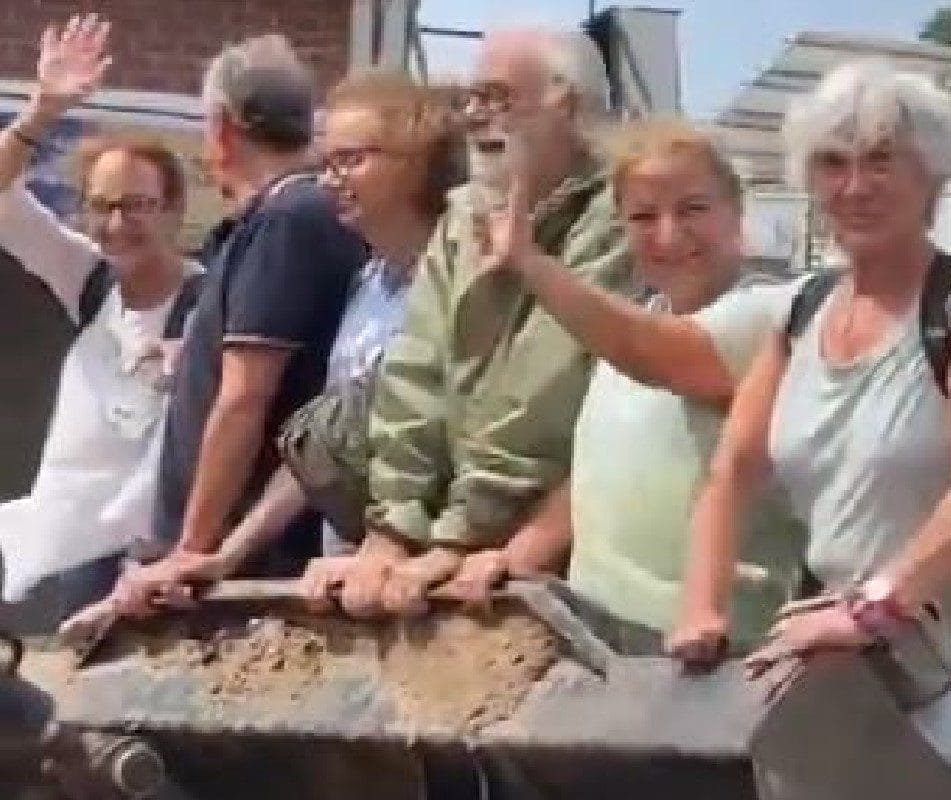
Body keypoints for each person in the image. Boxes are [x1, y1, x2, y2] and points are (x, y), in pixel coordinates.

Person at [668, 60, 951, 798]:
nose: (856, 186)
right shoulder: (803, 312)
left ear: (931, 177)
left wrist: (872, 608)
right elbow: (732, 470)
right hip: (841, 668)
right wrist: (701, 605)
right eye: (833, 164)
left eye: (882, 161)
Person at [301, 28, 634, 618]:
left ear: (569, 104)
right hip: (460, 542)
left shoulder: (618, 215)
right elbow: (414, 372)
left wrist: (457, 538)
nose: (478, 117)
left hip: (557, 550)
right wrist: (394, 527)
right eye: (470, 100)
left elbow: (540, 394)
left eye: (497, 97)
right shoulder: (464, 215)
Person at [435, 118, 801, 649]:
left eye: (693, 209)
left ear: (736, 212)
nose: (669, 235)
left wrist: (531, 264)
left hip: (717, 652)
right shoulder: (623, 341)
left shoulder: (775, 316)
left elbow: (654, 353)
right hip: (600, 645)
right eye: (643, 216)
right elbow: (595, 474)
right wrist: (514, 558)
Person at [107, 73, 463, 591]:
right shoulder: (369, 284)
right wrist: (224, 556)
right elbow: (321, 448)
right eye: (328, 162)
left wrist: (394, 548)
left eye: (351, 160)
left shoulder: (457, 286)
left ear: (415, 166)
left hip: (409, 579)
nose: (329, 180)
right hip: (343, 567)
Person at [113, 33, 366, 609]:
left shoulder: (288, 220)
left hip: (241, 569)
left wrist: (190, 548)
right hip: (237, 557)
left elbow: (246, 396)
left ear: (223, 127)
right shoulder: (284, 217)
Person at [0, 15, 202, 612]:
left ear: (172, 211)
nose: (117, 225)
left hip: (124, 569)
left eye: (137, 206)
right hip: (45, 549)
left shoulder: (211, 301)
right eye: (102, 207)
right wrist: (42, 111)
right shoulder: (87, 279)